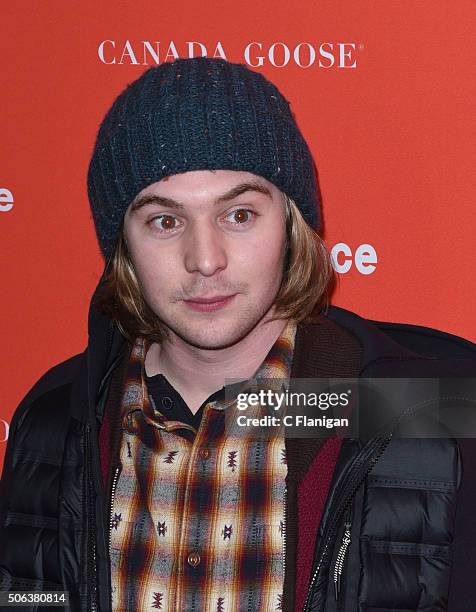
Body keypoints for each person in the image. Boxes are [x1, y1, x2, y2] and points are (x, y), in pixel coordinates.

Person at [0, 57, 475, 612]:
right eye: (165, 221)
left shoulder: (427, 407)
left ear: (292, 224)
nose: (205, 260)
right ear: (122, 246)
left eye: (240, 215)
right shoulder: (57, 419)